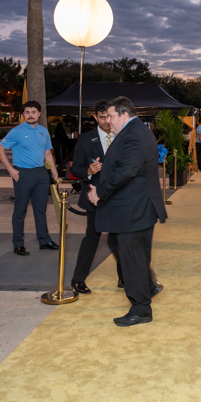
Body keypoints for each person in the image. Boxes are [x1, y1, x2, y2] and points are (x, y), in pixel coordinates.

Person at [87, 97, 167, 327]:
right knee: (128, 251)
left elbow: (126, 171)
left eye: (111, 116)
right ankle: (148, 286)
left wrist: (99, 192)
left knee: (133, 259)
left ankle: (141, 309)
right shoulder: (135, 131)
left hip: (134, 209)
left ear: (124, 114)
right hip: (134, 208)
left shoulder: (133, 134)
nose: (108, 121)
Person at [68, 100, 121, 294]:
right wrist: (88, 171)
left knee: (119, 239)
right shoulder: (85, 139)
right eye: (102, 117)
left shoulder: (122, 136)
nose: (106, 121)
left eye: (109, 116)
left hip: (118, 196)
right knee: (92, 237)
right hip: (94, 196)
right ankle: (78, 279)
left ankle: (124, 278)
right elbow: (75, 168)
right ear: (95, 117)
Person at [0, 101, 60, 256]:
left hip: (41, 174)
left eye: (33, 112)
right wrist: (10, 169)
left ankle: (44, 240)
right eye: (27, 112)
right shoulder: (16, 131)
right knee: (20, 210)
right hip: (23, 173)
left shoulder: (43, 131)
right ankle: (18, 244)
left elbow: (47, 154)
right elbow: (0, 149)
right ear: (23, 114)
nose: (30, 115)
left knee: (41, 209)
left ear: (39, 114)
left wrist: (54, 171)